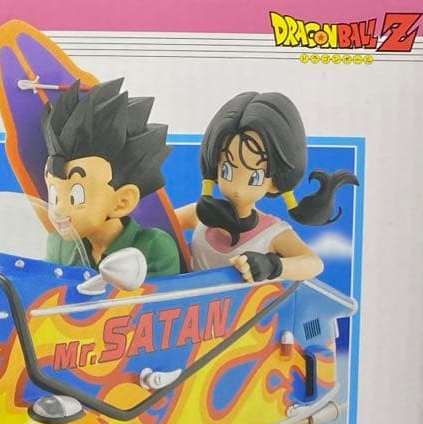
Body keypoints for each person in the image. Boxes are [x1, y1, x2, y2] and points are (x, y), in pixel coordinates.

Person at [175, 91, 357, 282]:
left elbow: (313, 263)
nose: (237, 188)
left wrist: (271, 265)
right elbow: (160, 222)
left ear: (275, 183)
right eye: (226, 169)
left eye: (255, 176)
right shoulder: (198, 214)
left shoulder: (271, 233)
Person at [41, 78, 180, 276]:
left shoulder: (152, 247)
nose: (58, 210)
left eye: (76, 197)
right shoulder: (60, 245)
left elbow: (157, 295)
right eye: (54, 196)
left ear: (122, 201)